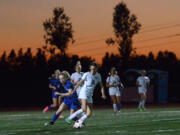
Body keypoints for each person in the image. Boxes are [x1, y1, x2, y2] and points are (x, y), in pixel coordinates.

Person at [65, 62, 106, 127]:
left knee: (89, 113)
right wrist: (73, 91)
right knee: (84, 109)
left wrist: (103, 94)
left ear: (97, 69)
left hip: (90, 94)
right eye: (91, 69)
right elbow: (78, 83)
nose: (93, 70)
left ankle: (77, 123)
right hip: (84, 92)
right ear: (90, 68)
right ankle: (69, 118)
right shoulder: (86, 74)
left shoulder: (98, 75)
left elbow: (101, 86)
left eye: (94, 69)